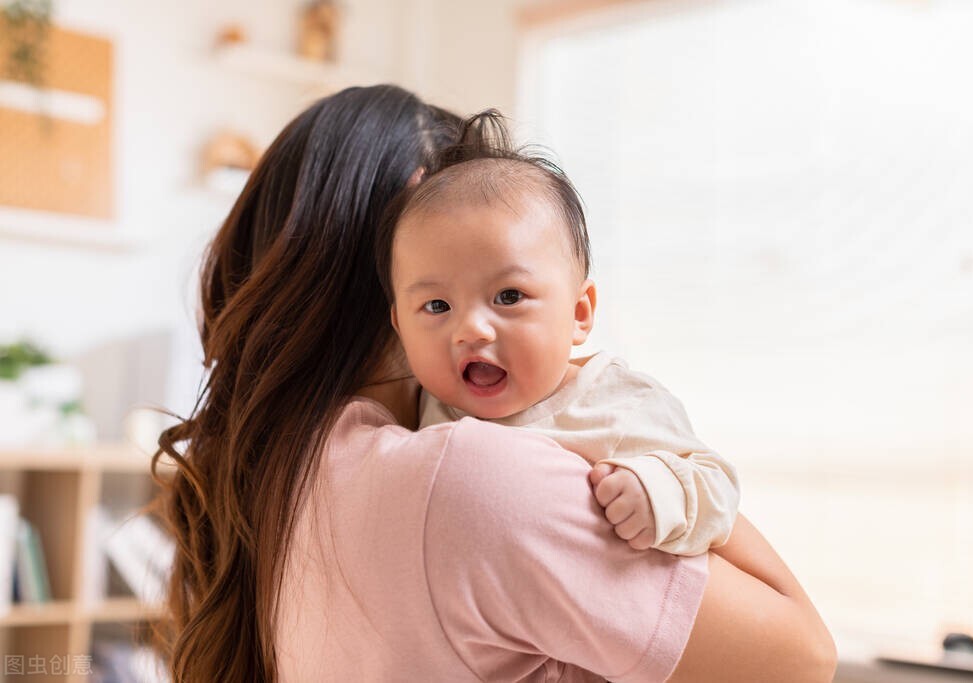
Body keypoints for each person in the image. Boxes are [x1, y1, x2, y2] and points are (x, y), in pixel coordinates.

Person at [155, 84, 836, 682]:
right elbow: (803, 655)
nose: (478, 327)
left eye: (509, 293)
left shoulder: (281, 480)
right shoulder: (472, 474)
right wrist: (622, 423)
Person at [378, 113, 738, 556]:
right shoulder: (423, 407)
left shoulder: (616, 403)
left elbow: (716, 485)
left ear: (579, 313)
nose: (471, 329)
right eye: (437, 306)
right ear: (399, 328)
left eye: (509, 296)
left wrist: (656, 491)